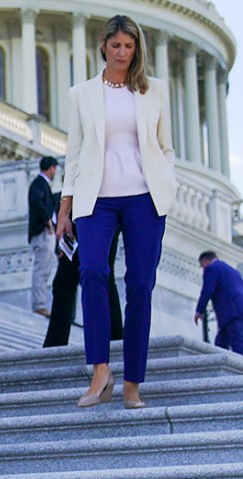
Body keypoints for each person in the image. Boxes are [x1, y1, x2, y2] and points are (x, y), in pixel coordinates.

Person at [56, 14, 177, 409]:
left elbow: (166, 146)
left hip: (144, 198)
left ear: (136, 48)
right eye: (116, 45)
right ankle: (100, 371)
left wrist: (167, 184)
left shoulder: (154, 90)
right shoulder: (83, 94)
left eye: (129, 46)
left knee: (140, 286)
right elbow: (73, 154)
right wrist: (65, 205)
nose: (122, 52)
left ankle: (132, 384)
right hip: (97, 199)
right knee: (92, 272)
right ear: (103, 46)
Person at [43, 206, 124, 347]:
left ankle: (116, 340)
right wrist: (63, 213)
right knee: (64, 280)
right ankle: (54, 345)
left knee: (102, 275)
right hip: (78, 210)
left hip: (106, 206)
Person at [195, 251, 243, 354]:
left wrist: (199, 310)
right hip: (237, 311)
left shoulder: (212, 269)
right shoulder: (233, 271)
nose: (203, 268)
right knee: (220, 345)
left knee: (237, 344)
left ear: (205, 261)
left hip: (230, 313)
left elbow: (207, 290)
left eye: (202, 265)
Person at [28, 156, 58, 317]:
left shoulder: (41, 184)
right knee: (41, 268)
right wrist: (47, 220)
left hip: (45, 231)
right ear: (51, 168)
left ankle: (41, 302)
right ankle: (39, 304)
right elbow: (36, 200)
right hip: (42, 231)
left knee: (45, 267)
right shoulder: (39, 184)